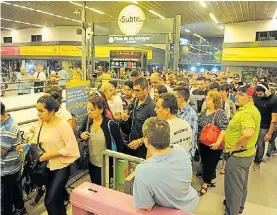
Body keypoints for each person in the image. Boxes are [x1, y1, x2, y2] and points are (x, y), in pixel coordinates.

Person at [133, 117, 199, 212]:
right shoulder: (181, 150)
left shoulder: (143, 170)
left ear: (147, 141)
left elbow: (147, 206)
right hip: (190, 205)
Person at [33, 96, 80, 215]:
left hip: (61, 168)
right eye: (37, 111)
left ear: (52, 111)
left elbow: (71, 148)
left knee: (50, 201)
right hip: (46, 168)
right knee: (57, 199)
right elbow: (37, 141)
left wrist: (50, 155)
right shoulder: (41, 123)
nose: (38, 114)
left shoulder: (62, 125)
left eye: (41, 111)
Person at [224, 85, 261, 215]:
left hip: (238, 156)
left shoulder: (246, 113)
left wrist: (234, 147)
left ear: (249, 97)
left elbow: (247, 133)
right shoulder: (251, 109)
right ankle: (239, 207)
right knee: (241, 184)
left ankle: (231, 211)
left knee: (233, 187)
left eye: (241, 95)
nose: (237, 97)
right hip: (247, 154)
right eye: (238, 94)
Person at [79, 95, 123, 185]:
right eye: (88, 109)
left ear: (101, 110)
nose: (89, 112)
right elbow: (80, 131)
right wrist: (81, 134)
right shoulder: (88, 121)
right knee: (95, 186)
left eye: (92, 109)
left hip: (106, 166)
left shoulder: (110, 125)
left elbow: (120, 145)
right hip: (92, 163)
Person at [198, 91, 228, 196]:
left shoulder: (220, 112)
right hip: (203, 142)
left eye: (208, 99)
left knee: (209, 164)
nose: (206, 101)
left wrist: (217, 143)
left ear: (215, 101)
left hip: (214, 144)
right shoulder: (205, 110)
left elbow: (224, 129)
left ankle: (205, 185)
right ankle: (213, 179)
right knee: (205, 162)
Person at [1, 102, 27, 215]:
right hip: (9, 166)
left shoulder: (8, 128)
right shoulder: (3, 122)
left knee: (4, 196)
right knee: (14, 188)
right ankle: (20, 208)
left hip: (7, 168)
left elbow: (1, 152)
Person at [121, 77, 156, 158]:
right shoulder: (136, 100)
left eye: (138, 90)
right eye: (134, 90)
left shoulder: (152, 107)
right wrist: (125, 113)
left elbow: (153, 132)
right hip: (131, 141)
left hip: (143, 147)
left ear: (146, 89)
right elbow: (129, 107)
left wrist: (140, 141)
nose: (135, 93)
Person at [153, 93, 193, 157]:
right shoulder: (186, 124)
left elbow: (156, 156)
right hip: (184, 163)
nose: (155, 110)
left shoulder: (162, 129)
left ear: (167, 110)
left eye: (158, 107)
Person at [253, 83, 277, 166]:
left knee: (260, 145)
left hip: (264, 126)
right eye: (257, 94)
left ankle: (257, 161)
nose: (259, 96)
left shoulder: (274, 100)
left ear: (266, 91)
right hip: (254, 124)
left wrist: (269, 133)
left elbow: (274, 118)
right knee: (252, 143)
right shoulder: (256, 97)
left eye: (260, 94)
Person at [174, 86, 198, 157]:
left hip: (185, 155)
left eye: (174, 97)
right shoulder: (178, 111)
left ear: (181, 98)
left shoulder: (190, 115)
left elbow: (190, 139)